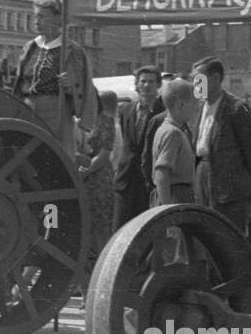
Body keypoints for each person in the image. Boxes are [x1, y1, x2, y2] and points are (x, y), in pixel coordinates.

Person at [189, 56, 251, 236]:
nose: (195, 86)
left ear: (216, 78)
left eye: (199, 80)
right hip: (203, 181)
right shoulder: (199, 109)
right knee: (206, 238)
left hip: (230, 191)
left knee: (229, 239)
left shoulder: (237, 109)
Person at [11, 0, 95, 146]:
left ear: (58, 19)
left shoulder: (71, 50)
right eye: (35, 16)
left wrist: (70, 86)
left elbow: (85, 88)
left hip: (54, 113)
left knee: (54, 153)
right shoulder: (30, 47)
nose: (37, 21)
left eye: (42, 16)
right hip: (26, 110)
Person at [150, 79, 199, 265]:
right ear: (180, 104)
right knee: (176, 260)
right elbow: (161, 173)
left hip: (174, 198)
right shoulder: (173, 134)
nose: (197, 107)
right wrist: (168, 213)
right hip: (175, 198)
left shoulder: (168, 130)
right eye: (194, 103)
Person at [112, 65, 164, 230]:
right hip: (126, 179)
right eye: (143, 81)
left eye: (151, 82)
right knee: (119, 229)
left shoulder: (163, 112)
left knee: (145, 231)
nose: (147, 85)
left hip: (148, 181)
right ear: (137, 85)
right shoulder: (126, 110)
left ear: (158, 85)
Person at [78, 90, 118, 270]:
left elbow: (104, 155)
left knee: (101, 228)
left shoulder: (106, 120)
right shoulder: (79, 121)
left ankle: (106, 270)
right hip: (82, 178)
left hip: (98, 179)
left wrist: (85, 171)